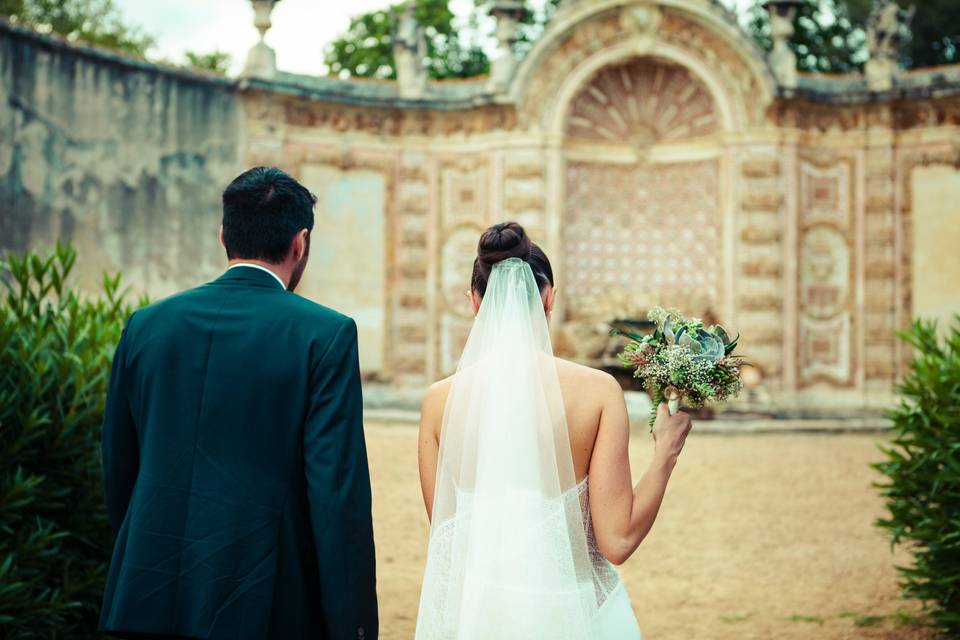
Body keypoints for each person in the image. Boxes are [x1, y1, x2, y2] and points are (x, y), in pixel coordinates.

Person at [99, 167, 378, 640]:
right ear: (300, 243)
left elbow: (118, 467)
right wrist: (353, 625)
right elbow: (336, 495)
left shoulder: (146, 326)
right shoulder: (325, 335)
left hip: (145, 594)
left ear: (223, 234)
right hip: (264, 603)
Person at [415, 222, 692, 639]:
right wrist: (665, 454)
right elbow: (617, 541)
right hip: (573, 616)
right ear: (549, 299)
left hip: (477, 618)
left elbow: (451, 539)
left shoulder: (439, 402)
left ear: (475, 302)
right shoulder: (598, 392)